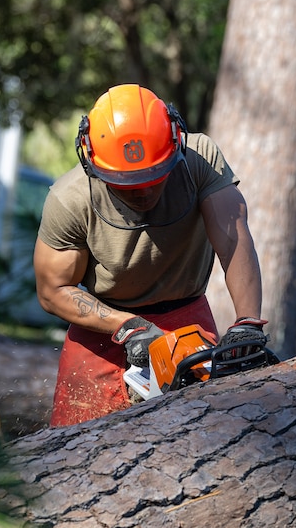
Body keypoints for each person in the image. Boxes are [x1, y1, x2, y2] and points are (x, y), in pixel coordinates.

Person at [34, 84, 267, 427]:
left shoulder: (199, 161)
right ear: (92, 163)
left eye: (153, 177)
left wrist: (247, 320)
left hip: (185, 318)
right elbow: (52, 290)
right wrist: (125, 326)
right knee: (71, 442)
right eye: (127, 183)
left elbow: (233, 237)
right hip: (100, 330)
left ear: (175, 144)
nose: (143, 191)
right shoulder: (70, 199)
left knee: (205, 434)